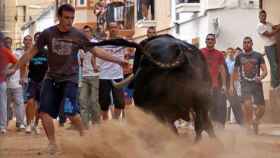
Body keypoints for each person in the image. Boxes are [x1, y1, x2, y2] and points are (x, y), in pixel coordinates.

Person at [6, 4, 128, 155]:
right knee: (44, 112)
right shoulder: (48, 34)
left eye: (72, 18)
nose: (69, 21)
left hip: (70, 78)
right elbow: (30, 53)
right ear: (59, 17)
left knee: (70, 111)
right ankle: (52, 143)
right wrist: (15, 68)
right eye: (66, 18)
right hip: (51, 77)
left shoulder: (78, 35)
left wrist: (118, 60)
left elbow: (97, 51)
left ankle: (87, 139)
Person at [229, 37, 268, 135]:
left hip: (256, 83)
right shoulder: (239, 56)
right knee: (247, 105)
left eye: (248, 42)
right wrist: (231, 85)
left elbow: (265, 70)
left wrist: (261, 77)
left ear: (252, 43)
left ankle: (256, 120)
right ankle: (248, 127)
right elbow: (234, 72)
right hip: (244, 84)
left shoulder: (258, 56)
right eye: (244, 42)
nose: (246, 44)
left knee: (262, 109)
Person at [98, 22, 126, 120]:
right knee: (104, 103)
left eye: (115, 27)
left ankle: (115, 122)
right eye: (111, 27)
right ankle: (105, 124)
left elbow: (129, 53)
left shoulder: (123, 42)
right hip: (104, 76)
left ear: (118, 29)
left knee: (119, 102)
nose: (113, 29)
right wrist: (94, 65)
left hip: (117, 76)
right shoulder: (102, 43)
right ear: (108, 29)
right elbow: (95, 54)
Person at [201, 33, 227, 128]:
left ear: (215, 41)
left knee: (216, 106)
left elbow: (222, 69)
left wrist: (224, 85)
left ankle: (216, 126)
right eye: (208, 39)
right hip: (202, 85)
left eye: (212, 39)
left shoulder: (219, 54)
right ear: (205, 41)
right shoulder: (200, 52)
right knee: (202, 106)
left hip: (215, 85)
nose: (210, 41)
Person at [24, 32, 48, 134]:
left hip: (43, 81)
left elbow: (50, 67)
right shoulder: (30, 51)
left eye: (40, 38)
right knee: (30, 102)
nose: (39, 40)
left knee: (39, 106)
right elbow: (23, 64)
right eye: (37, 38)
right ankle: (29, 124)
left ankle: (36, 124)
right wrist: (23, 77)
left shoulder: (47, 52)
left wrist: (47, 79)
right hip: (32, 80)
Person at [79, 25, 101, 128]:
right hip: (84, 76)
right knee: (83, 101)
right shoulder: (81, 45)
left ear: (91, 32)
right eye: (84, 32)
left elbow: (96, 56)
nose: (85, 33)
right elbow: (81, 61)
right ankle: (85, 126)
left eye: (87, 31)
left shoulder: (96, 43)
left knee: (93, 101)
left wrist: (96, 66)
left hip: (94, 75)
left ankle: (96, 124)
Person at [4, 37, 26, 131]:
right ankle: (5, 122)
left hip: (17, 83)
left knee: (19, 103)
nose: (8, 43)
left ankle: (20, 122)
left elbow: (23, 65)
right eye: (6, 42)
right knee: (5, 104)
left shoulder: (16, 54)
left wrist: (22, 77)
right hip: (5, 84)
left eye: (9, 42)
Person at [257, 10, 280, 89]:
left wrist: (278, 26)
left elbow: (275, 27)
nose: (264, 17)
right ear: (259, 16)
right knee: (274, 66)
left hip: (274, 46)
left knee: (276, 65)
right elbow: (269, 35)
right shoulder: (259, 26)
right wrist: (278, 29)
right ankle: (274, 84)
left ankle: (277, 82)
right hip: (269, 47)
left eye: (265, 15)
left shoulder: (268, 23)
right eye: (262, 15)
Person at [0, 32, 18, 134]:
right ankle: (2, 126)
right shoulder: (5, 51)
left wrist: (9, 71)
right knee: (2, 104)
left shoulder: (5, 51)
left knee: (3, 104)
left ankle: (2, 126)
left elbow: (17, 63)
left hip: (2, 82)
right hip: (2, 82)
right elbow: (17, 63)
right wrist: (10, 71)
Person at [225, 47, 243, 125]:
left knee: (238, 100)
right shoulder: (225, 62)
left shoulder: (236, 61)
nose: (230, 53)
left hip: (238, 82)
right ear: (227, 53)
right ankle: (231, 120)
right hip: (229, 83)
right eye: (228, 52)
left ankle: (237, 119)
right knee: (231, 101)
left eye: (232, 52)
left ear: (234, 53)